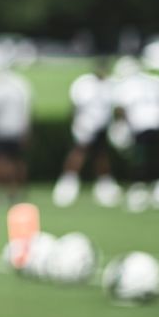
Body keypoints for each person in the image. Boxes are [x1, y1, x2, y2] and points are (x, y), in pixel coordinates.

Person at [111, 59, 159, 211]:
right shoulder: (156, 81)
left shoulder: (125, 85)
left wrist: (119, 127)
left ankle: (139, 188)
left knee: (140, 158)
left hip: (140, 123)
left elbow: (121, 109)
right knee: (158, 156)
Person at [53, 59, 115, 207]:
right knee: (79, 152)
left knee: (101, 155)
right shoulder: (84, 84)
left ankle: (104, 184)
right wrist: (77, 124)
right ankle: (68, 183)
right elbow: (74, 106)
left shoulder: (110, 85)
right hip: (85, 125)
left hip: (102, 126)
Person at [0, 67, 32, 203]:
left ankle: (4, 189)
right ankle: (16, 189)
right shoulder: (21, 84)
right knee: (17, 161)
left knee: (1, 161)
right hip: (17, 128)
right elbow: (27, 110)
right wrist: (26, 130)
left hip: (1, 129)